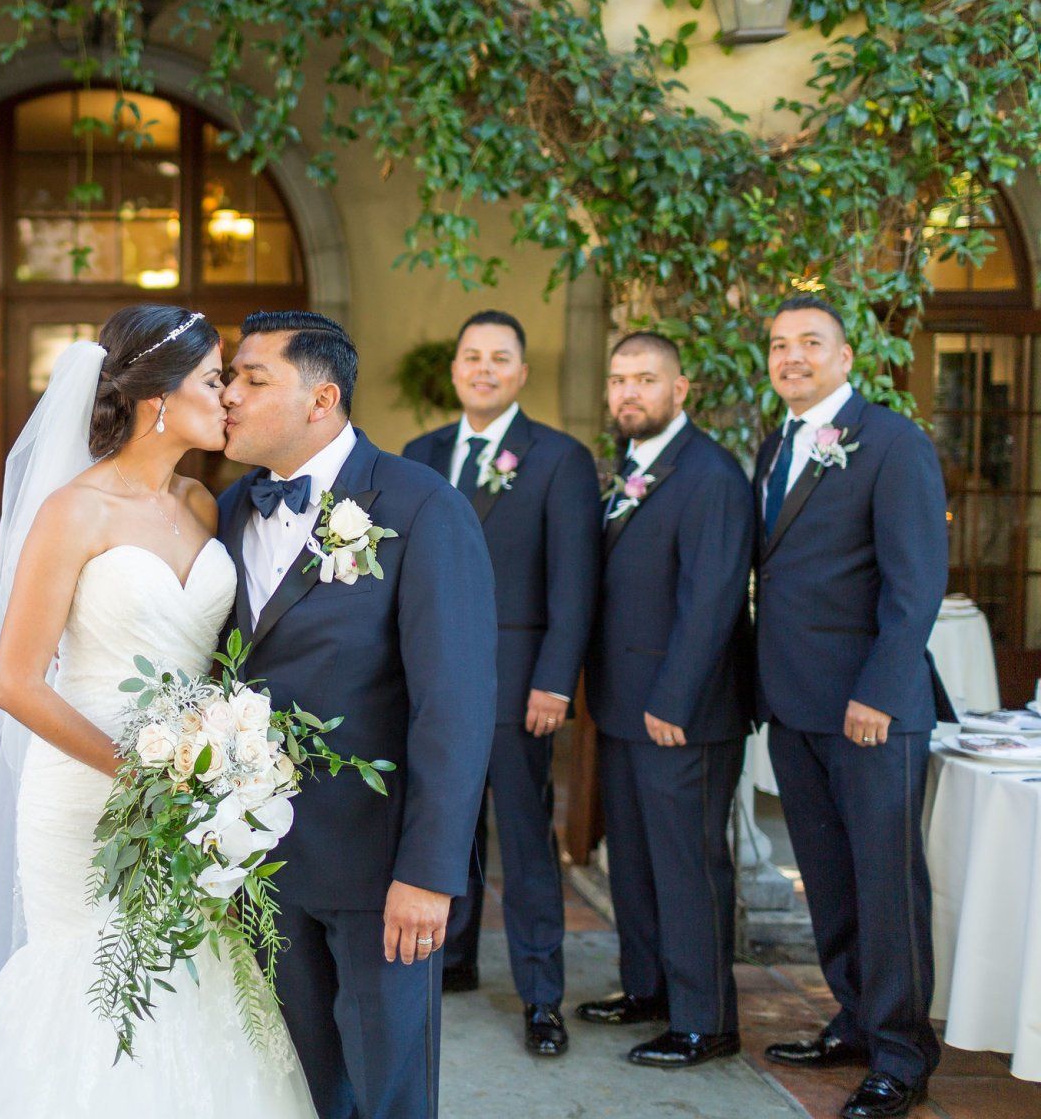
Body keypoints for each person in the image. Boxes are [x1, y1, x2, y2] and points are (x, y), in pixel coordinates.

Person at [0, 303, 315, 1116]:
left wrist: (221, 769)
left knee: (192, 985)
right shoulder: (72, 511)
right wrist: (142, 772)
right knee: (86, 989)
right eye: (215, 380)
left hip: (190, 797)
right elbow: (16, 681)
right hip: (84, 794)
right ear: (157, 401)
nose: (228, 399)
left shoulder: (202, 507)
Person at [220, 310, 497, 1119]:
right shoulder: (233, 506)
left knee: (391, 1096)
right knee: (301, 1089)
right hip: (263, 863)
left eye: (251, 378)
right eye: (231, 377)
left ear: (322, 399)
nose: (229, 395)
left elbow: (454, 707)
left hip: (380, 873)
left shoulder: (421, 507)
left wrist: (429, 873)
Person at [753, 296, 951, 1119]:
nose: (792, 356)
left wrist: (877, 687)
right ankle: (856, 1018)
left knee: (885, 883)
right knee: (828, 881)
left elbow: (916, 583)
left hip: (871, 707)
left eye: (810, 342)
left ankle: (902, 1054)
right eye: (778, 345)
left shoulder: (893, 442)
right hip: (795, 704)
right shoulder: (778, 445)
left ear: (846, 356)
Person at [400, 309, 598, 1057]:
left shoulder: (558, 458)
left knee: (523, 840)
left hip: (519, 688)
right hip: (430, 687)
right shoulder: (420, 454)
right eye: (471, 356)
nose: (483, 368)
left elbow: (574, 586)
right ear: (455, 369)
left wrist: (553, 682)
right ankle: (452, 960)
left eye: (499, 358)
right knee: (445, 827)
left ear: (520, 373)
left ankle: (542, 995)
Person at [577, 332, 753, 1069]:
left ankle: (706, 1020)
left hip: (681, 713)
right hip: (624, 707)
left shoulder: (709, 475)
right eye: (619, 380)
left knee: (687, 866)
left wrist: (674, 700)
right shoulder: (631, 469)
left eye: (645, 380)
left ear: (682, 390)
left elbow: (712, 599)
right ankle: (649, 990)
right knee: (638, 863)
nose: (629, 393)